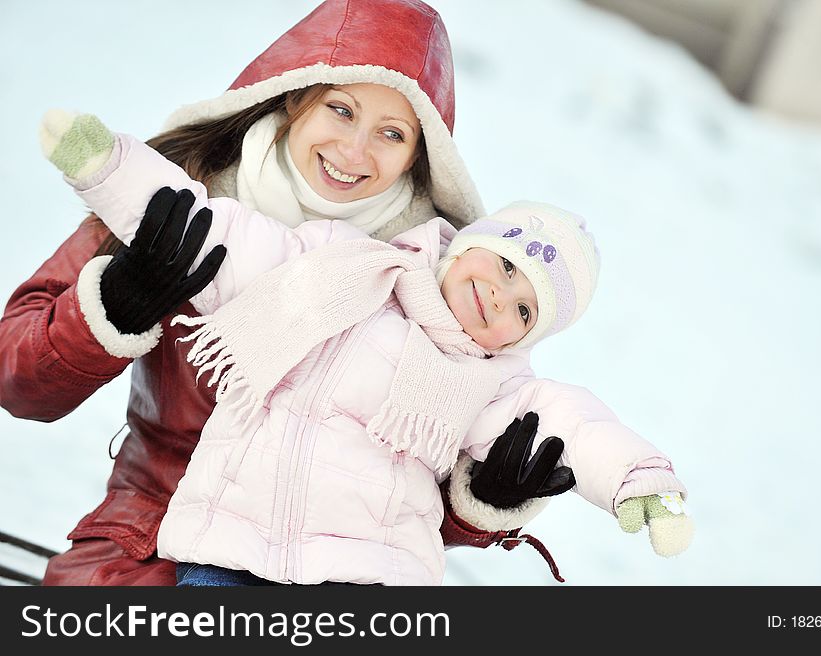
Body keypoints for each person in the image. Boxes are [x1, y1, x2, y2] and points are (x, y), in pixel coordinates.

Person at [0, 0, 572, 586]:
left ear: (417, 157)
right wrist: (113, 306)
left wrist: (484, 496)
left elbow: (397, 505)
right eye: (341, 110)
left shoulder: (437, 283)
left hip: (331, 576)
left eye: (392, 133)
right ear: (297, 96)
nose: (354, 152)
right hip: (150, 538)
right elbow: (16, 378)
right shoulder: (179, 194)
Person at [38, 113, 694, 585]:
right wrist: (109, 167)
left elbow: (578, 428)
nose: (501, 297)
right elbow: (217, 232)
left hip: (370, 577)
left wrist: (640, 484)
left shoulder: (496, 383)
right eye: (503, 267)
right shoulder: (338, 263)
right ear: (464, 247)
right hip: (228, 548)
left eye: (526, 310)